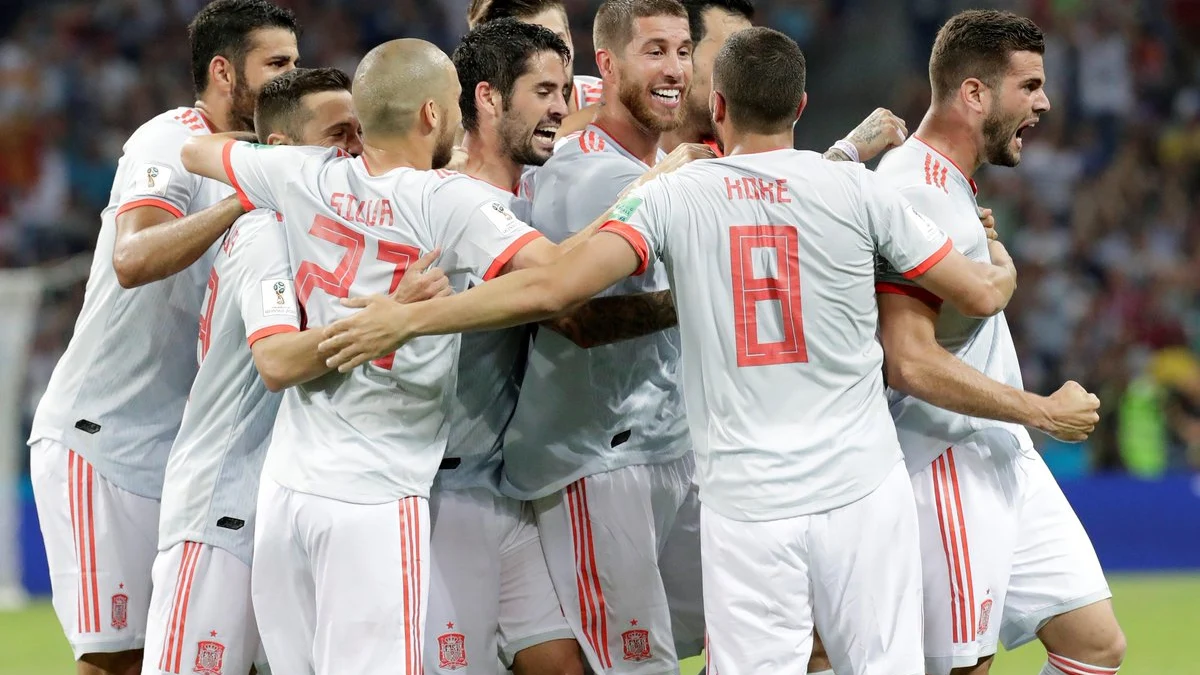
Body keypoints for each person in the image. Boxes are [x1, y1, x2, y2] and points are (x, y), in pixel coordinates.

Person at [317, 27, 1019, 675]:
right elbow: (982, 295)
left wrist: (413, 320)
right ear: (801, 104)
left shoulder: (677, 196)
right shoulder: (861, 192)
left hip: (749, 505)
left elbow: (554, 288)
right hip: (863, 490)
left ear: (716, 106)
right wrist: (997, 252)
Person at [179, 37, 700, 674]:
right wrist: (651, 190)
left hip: (290, 490)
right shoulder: (446, 201)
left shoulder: (300, 175)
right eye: (452, 101)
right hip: (379, 495)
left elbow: (196, 150)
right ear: (432, 115)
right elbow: (559, 273)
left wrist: (278, 164)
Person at [142, 66, 443, 675]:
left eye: (359, 132)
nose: (354, 149)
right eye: (337, 135)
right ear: (278, 152)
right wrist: (396, 313)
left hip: (284, 501)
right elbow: (277, 360)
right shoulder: (265, 229)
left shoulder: (329, 227)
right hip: (221, 509)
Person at [26, 2, 298, 672]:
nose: (292, 79)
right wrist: (241, 195)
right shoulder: (170, 141)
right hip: (105, 440)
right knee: (117, 658)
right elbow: (133, 255)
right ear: (223, 72)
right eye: (277, 65)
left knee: (187, 652)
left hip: (183, 457)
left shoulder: (266, 160)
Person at [873, 10, 1124, 675]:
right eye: (1030, 86)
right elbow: (907, 357)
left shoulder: (949, 186)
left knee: (1094, 645)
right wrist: (1041, 409)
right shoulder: (913, 192)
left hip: (1001, 453)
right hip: (944, 456)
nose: (1044, 103)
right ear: (975, 94)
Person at [430, 20, 582, 675]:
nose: (561, 107)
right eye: (544, 89)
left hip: (503, 488)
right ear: (489, 99)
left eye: (566, 90)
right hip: (441, 497)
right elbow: (559, 290)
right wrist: (654, 201)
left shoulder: (524, 200)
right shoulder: (451, 199)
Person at [466, 0, 602, 113]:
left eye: (558, 42)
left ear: (570, 39)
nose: (549, 62)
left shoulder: (617, 112)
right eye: (526, 51)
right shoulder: (467, 133)